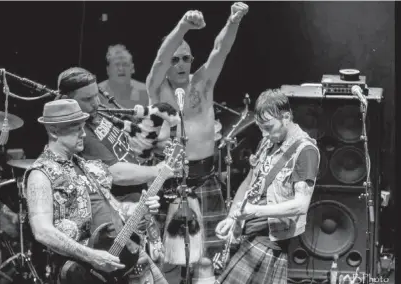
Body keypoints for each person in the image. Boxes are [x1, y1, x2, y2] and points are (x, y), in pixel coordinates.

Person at [24, 99, 171, 283]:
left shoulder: (90, 167)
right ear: (54, 131)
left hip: (126, 259)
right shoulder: (40, 174)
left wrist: (139, 209)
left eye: (83, 127)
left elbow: (116, 211)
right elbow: (42, 231)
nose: (83, 134)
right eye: (76, 128)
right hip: (85, 273)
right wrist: (91, 255)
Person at [146, 2, 249, 260]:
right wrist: (183, 26)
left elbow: (219, 50)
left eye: (186, 58)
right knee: (165, 259)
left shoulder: (203, 83)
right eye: (175, 59)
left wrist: (233, 21)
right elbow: (159, 59)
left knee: (209, 260)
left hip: (205, 179)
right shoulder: (157, 88)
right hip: (167, 181)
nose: (181, 64)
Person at [214, 89, 320, 284]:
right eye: (260, 127)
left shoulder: (305, 151)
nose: (264, 134)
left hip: (269, 240)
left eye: (269, 127)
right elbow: (249, 182)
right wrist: (232, 217)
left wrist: (255, 211)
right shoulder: (267, 142)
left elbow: (300, 205)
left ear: (286, 117)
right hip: (246, 232)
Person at [58, 67, 171, 204]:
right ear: (66, 100)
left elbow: (128, 145)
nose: (97, 103)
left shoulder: (97, 113)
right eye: (88, 99)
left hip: (138, 201)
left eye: (96, 95)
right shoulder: (78, 132)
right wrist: (158, 170)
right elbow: (115, 174)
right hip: (118, 211)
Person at [98, 44, 149, 109]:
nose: (121, 69)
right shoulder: (96, 93)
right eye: (117, 65)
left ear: (132, 68)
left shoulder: (145, 92)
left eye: (125, 64)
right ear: (108, 70)